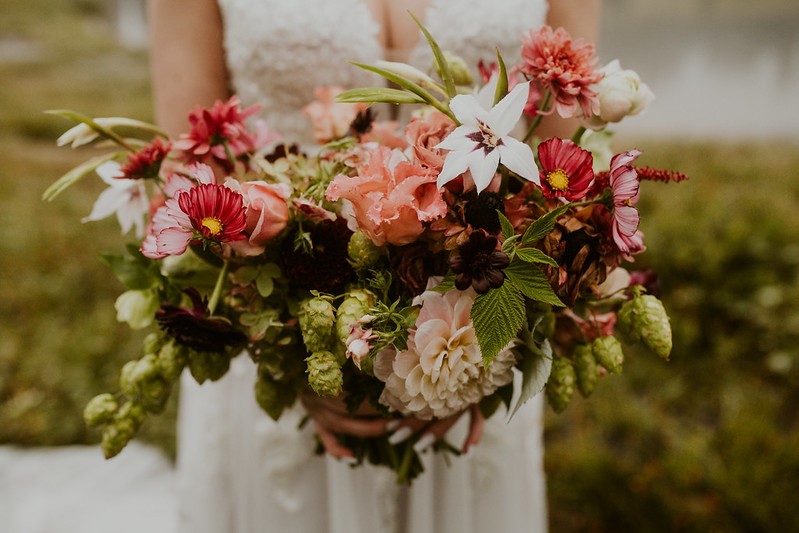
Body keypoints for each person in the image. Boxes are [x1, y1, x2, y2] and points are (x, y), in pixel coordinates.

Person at [147, 1, 600, 532]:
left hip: (475, 340)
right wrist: (292, 355)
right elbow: (188, 169)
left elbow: (566, 175)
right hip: (278, 333)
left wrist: (469, 370)